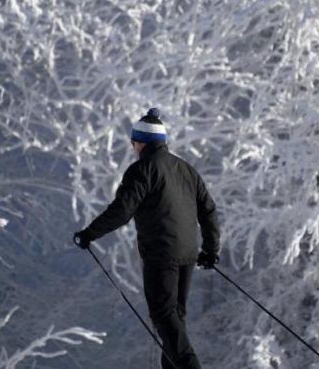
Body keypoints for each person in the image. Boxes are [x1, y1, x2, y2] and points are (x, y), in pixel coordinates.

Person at [73, 108, 221, 369]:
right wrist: (210, 249)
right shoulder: (186, 169)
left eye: (133, 143)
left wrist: (88, 234)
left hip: (161, 254)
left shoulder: (142, 169)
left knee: (164, 316)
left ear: (140, 142)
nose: (133, 148)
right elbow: (208, 209)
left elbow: (122, 211)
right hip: (188, 253)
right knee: (175, 321)